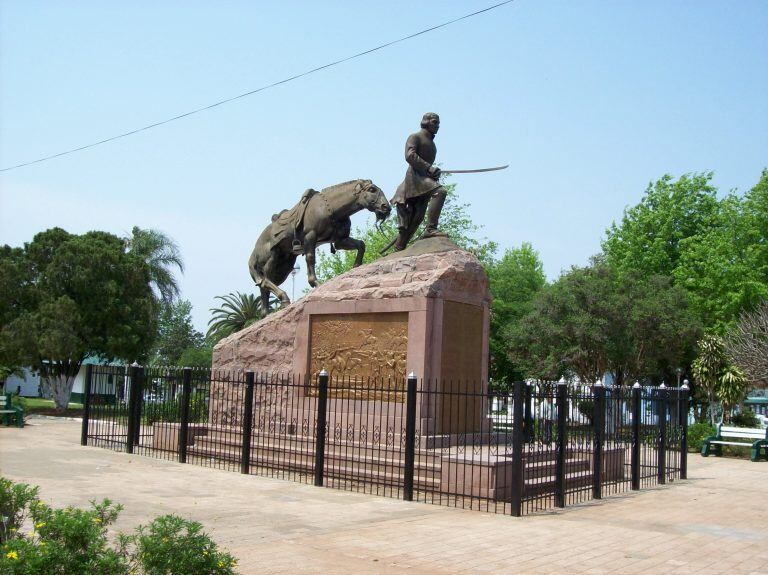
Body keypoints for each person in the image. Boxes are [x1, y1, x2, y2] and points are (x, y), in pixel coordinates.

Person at [390, 112, 448, 251]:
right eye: (435, 122)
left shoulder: (432, 144)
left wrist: (433, 174)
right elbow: (410, 156)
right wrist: (429, 168)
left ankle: (399, 247)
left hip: (424, 179)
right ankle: (431, 229)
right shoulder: (415, 137)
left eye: (438, 123)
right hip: (415, 178)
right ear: (425, 122)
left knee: (417, 217)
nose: (437, 126)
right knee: (440, 192)